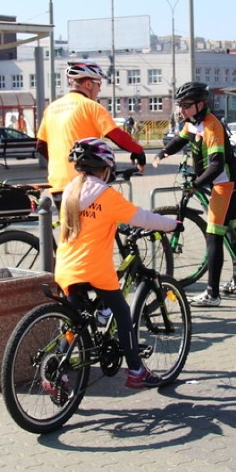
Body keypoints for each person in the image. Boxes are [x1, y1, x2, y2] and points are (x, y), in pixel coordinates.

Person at [54, 138, 179, 389]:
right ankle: (135, 371)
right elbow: (142, 217)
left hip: (66, 268)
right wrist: (171, 224)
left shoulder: (69, 191)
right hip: (95, 270)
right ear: (106, 169)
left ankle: (59, 372)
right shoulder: (108, 196)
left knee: (73, 321)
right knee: (123, 314)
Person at [154, 81, 236, 307]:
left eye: (186, 105)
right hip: (223, 181)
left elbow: (216, 166)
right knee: (231, 228)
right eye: (180, 106)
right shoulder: (193, 123)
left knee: (214, 234)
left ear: (200, 104)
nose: (182, 110)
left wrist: (195, 184)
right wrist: (162, 153)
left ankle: (212, 294)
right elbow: (179, 140)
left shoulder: (211, 126)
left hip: (226, 183)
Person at [36, 60, 147, 195]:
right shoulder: (91, 106)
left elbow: (41, 145)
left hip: (58, 184)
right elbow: (117, 136)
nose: (99, 89)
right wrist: (139, 152)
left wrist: (63, 163)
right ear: (88, 84)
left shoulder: (51, 108)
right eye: (99, 84)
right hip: (84, 183)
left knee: (66, 217)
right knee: (108, 213)